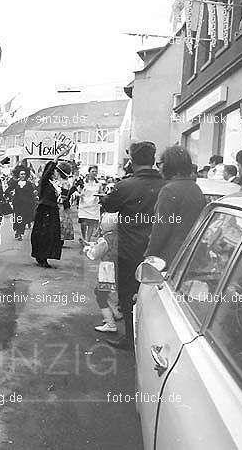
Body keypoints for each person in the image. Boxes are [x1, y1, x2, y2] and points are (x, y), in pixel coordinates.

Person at [101, 141, 164, 351]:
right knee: (156, 298)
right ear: (153, 160)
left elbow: (108, 205)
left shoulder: (126, 185)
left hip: (130, 251)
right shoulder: (165, 184)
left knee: (128, 295)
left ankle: (130, 338)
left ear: (132, 161)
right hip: (159, 252)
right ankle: (152, 341)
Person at [145, 146, 206, 266]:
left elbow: (160, 229)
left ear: (169, 165)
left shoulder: (169, 190)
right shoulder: (195, 188)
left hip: (169, 257)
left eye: (160, 164)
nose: (159, 168)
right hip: (190, 256)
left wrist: (149, 255)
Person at [83, 212, 122, 332]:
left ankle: (110, 324)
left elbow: (95, 254)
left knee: (101, 296)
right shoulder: (118, 236)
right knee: (104, 293)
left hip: (107, 271)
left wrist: (87, 250)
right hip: (116, 268)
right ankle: (116, 312)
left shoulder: (104, 240)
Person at [31, 152, 70, 268]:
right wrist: (55, 159)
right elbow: (46, 174)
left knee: (51, 235)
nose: (55, 173)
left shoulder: (55, 185)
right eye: (53, 171)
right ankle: (41, 257)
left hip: (53, 210)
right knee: (43, 234)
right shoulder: (45, 182)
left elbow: (62, 196)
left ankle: (45, 256)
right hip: (44, 211)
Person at [5, 166, 36, 240]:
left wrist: (32, 201)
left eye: (24, 174)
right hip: (17, 204)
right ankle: (17, 230)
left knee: (23, 219)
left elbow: (31, 194)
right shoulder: (15, 183)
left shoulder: (28, 184)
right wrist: (9, 195)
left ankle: (20, 233)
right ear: (18, 175)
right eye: (21, 174)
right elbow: (7, 191)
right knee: (17, 218)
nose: (23, 176)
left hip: (25, 205)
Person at [74, 165, 102, 244]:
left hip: (94, 206)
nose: (94, 173)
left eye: (96, 171)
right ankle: (83, 237)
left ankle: (87, 240)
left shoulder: (98, 184)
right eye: (93, 171)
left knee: (91, 223)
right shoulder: (82, 182)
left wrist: (100, 197)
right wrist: (79, 195)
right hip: (84, 205)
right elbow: (76, 191)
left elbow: (101, 193)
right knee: (83, 223)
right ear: (89, 172)